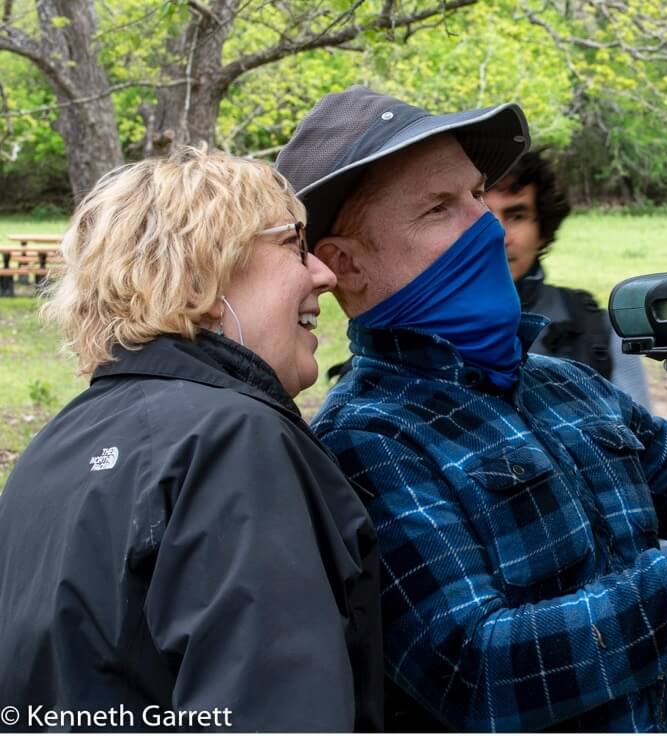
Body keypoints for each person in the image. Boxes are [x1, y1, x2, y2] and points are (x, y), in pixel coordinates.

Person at [276, 87, 667, 732]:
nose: (486, 227)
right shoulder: (366, 440)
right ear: (343, 265)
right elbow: (477, 670)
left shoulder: (563, 383)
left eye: (476, 195)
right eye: (438, 209)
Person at [0, 147, 383, 731]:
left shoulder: (53, 446)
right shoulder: (233, 440)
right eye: (293, 245)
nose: (324, 275)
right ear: (202, 273)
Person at [486, 149, 651, 407]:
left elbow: (643, 442)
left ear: (542, 230)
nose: (498, 235)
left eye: (516, 216)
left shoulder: (600, 330)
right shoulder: (417, 334)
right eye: (482, 216)